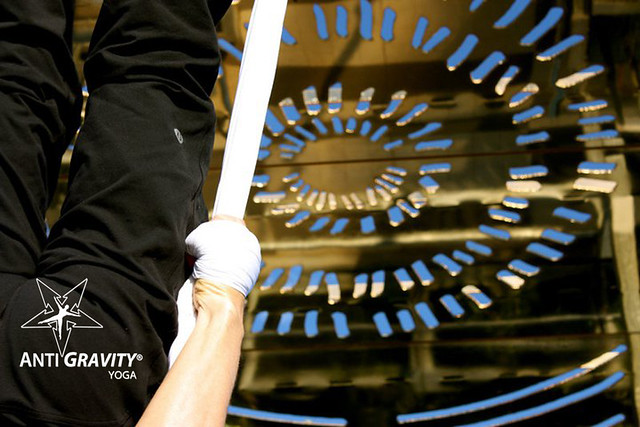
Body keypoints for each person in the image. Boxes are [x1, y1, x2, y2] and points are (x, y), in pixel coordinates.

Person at [0, 0, 261, 425]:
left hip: (83, 381)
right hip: (78, 371)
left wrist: (223, 306)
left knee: (154, 74)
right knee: (12, 78)